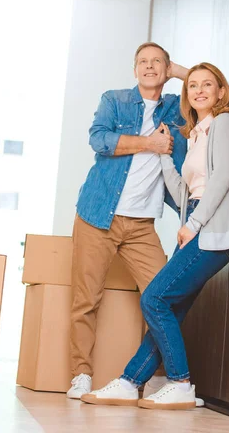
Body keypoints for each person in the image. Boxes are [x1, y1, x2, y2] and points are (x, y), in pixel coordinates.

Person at [81, 62, 229, 410]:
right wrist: (164, 154)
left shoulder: (226, 124)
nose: (199, 90)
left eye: (207, 84)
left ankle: (180, 383)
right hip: (196, 224)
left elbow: (221, 181)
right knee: (169, 305)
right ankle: (130, 381)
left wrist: (194, 224)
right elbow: (184, 189)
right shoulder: (197, 132)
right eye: (193, 85)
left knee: (154, 299)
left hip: (212, 229)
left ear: (220, 91)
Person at [67, 42, 188, 400]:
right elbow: (98, 139)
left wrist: (177, 71)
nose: (150, 68)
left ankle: (149, 378)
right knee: (86, 300)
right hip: (97, 215)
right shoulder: (115, 100)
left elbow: (212, 82)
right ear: (134, 69)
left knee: (165, 299)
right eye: (143, 62)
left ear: (166, 69)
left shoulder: (177, 110)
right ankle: (81, 375)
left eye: (157, 63)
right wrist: (147, 144)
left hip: (141, 226)